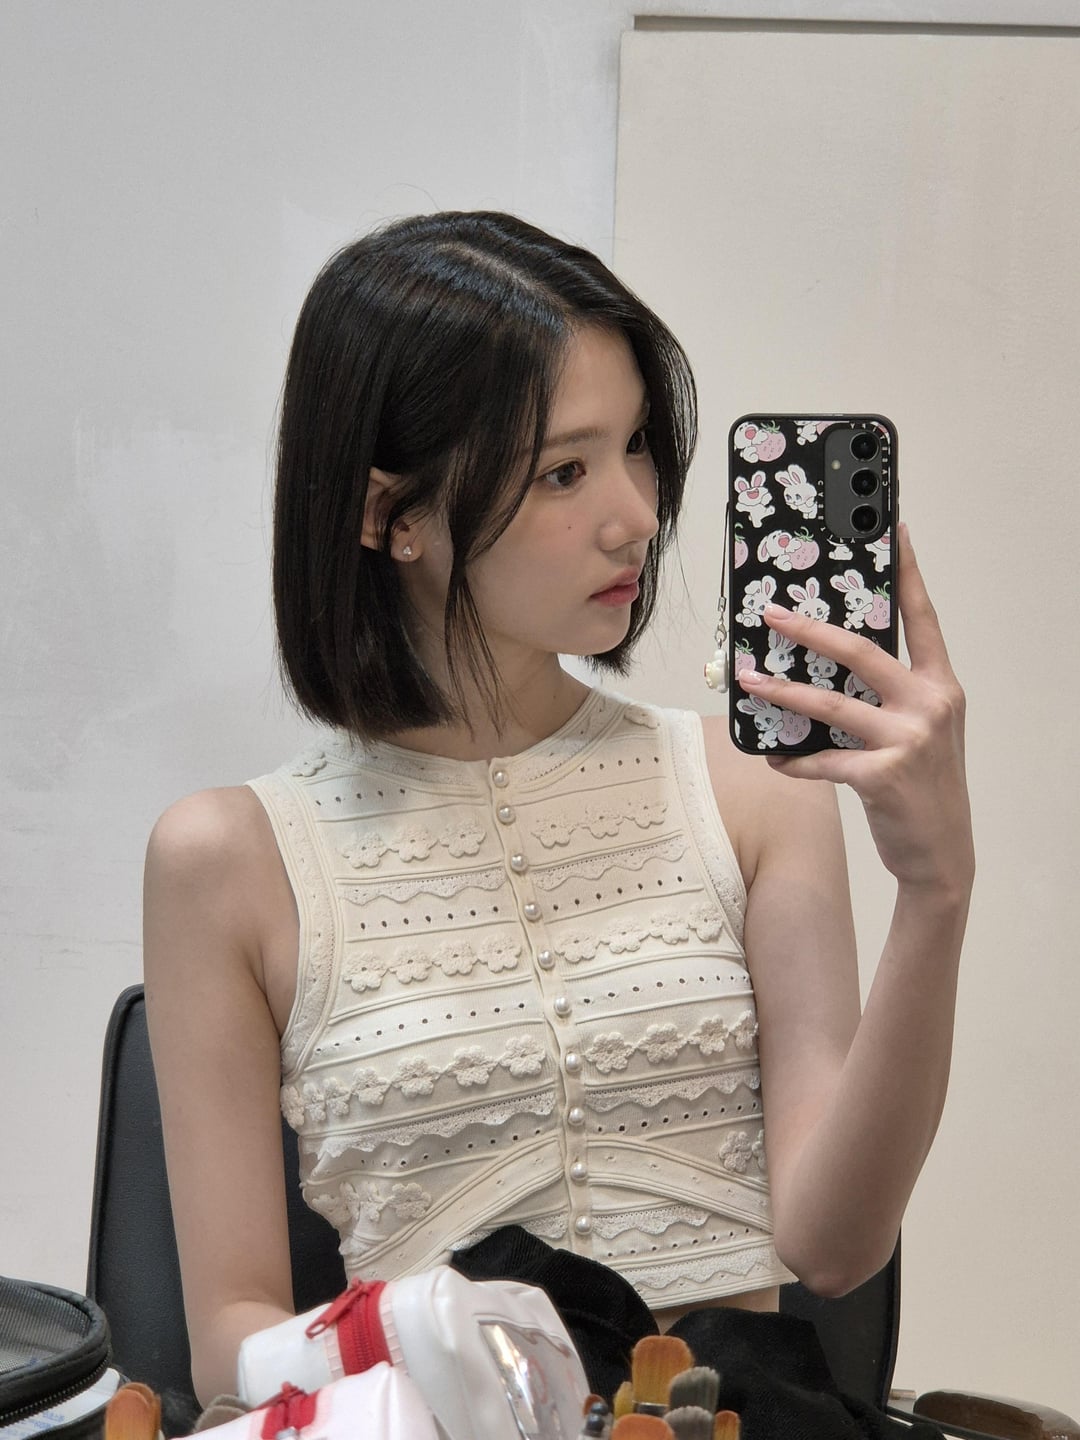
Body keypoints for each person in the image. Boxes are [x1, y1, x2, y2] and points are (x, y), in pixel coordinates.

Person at [143, 211, 973, 1409]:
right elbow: (229, 1335)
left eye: (637, 447)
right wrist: (423, 1354)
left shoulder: (750, 792)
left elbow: (834, 1248)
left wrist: (937, 893)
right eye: (563, 472)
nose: (636, 515)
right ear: (392, 516)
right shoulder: (226, 861)